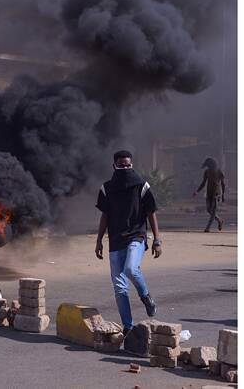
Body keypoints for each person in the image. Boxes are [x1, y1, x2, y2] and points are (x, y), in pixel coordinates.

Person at [94, 150, 162, 355]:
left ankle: (146, 297)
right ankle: (128, 327)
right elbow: (105, 216)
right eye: (121, 165)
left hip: (136, 237)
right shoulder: (106, 188)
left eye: (128, 165)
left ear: (132, 165)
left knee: (131, 269)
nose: (125, 169)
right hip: (115, 240)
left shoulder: (142, 186)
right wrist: (98, 240)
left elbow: (152, 213)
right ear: (114, 166)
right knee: (119, 288)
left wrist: (157, 240)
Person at [193, 157, 227, 232]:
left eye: (208, 165)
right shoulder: (206, 172)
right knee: (209, 210)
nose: (208, 166)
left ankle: (207, 228)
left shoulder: (219, 171)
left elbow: (223, 184)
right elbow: (203, 183)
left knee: (213, 211)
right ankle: (219, 221)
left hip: (216, 193)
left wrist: (223, 195)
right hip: (209, 193)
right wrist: (197, 191)